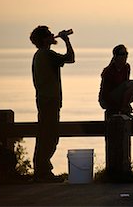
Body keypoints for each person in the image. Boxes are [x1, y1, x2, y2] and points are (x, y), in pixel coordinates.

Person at [30, 26, 75, 182]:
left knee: (45, 135)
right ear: (44, 39)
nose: (52, 36)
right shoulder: (47, 54)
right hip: (49, 101)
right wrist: (66, 40)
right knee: (50, 137)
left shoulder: (39, 55)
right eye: (49, 35)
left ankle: (40, 171)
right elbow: (70, 58)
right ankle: (43, 172)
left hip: (44, 100)